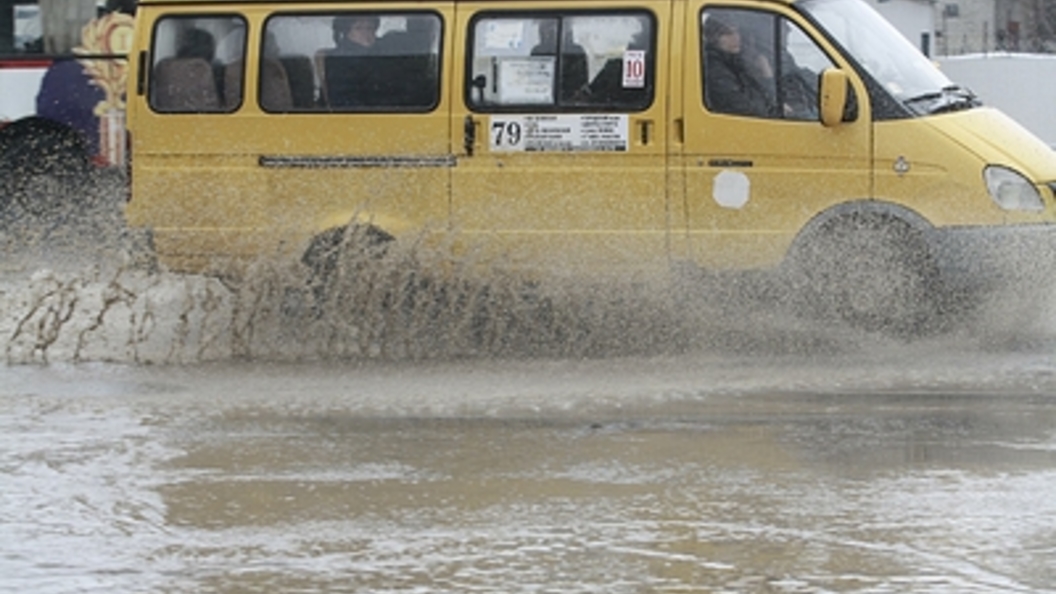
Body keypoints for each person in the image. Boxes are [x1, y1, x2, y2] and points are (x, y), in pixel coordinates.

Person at [702, 15, 777, 117]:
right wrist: (774, 110)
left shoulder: (734, 62)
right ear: (713, 37)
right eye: (728, 33)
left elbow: (754, 93)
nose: (736, 38)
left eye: (737, 32)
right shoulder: (714, 69)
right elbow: (742, 107)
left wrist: (766, 74)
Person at [326, 15, 384, 107]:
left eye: (370, 28)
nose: (365, 33)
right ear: (347, 32)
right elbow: (344, 100)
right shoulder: (339, 59)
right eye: (358, 28)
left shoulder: (384, 53)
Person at [530, 20, 588, 102]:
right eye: (549, 29)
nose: (553, 32)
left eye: (555, 29)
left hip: (572, 99)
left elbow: (583, 80)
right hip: (543, 97)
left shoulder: (576, 51)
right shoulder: (538, 51)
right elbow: (533, 78)